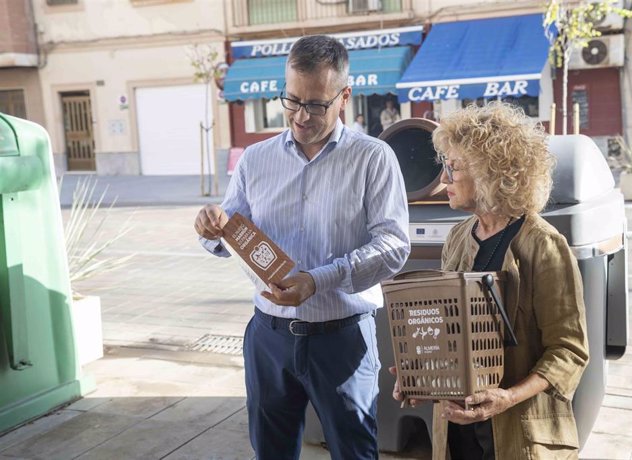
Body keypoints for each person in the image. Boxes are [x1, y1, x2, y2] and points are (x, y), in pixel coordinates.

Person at [194, 35, 410, 460]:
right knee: (270, 452)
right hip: (267, 338)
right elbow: (230, 232)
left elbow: (393, 245)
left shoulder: (373, 158)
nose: (300, 115)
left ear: (344, 96)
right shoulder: (255, 160)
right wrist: (210, 227)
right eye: (291, 101)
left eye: (316, 104)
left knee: (355, 451)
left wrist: (318, 280)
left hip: (343, 338)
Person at [391, 101, 589, 459]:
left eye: (453, 167)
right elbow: (447, 331)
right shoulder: (458, 237)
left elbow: (569, 351)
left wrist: (506, 398)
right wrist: (419, 374)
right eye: (444, 167)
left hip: (518, 434)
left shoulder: (543, 245)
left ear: (490, 173)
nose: (444, 179)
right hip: (457, 431)